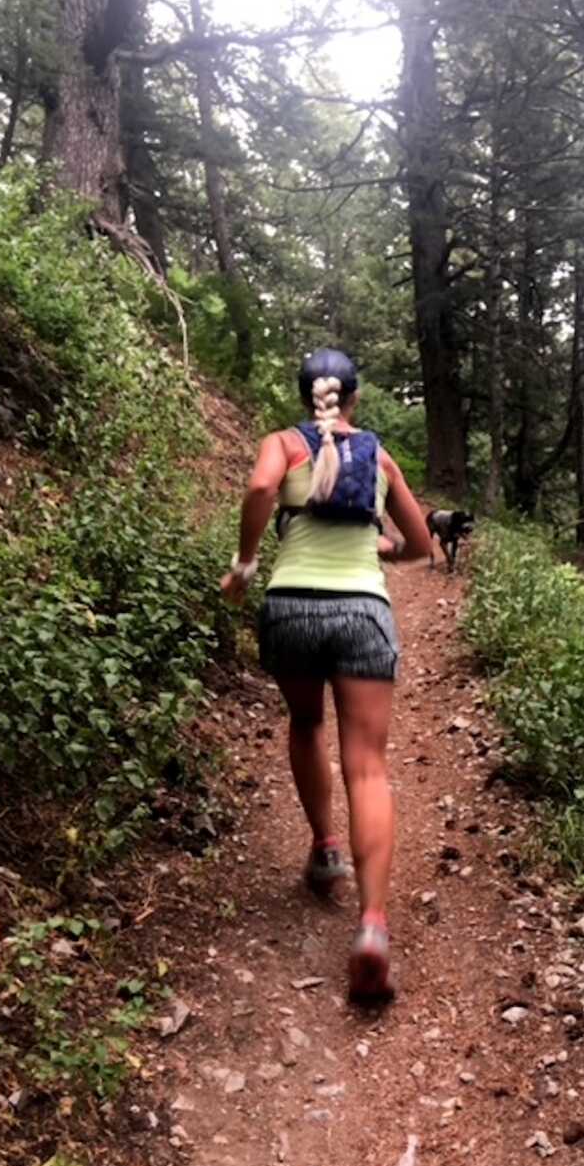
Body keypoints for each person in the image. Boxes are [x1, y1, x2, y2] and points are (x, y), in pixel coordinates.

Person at [221, 348, 432, 1002]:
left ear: (304, 394)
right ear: (354, 399)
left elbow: (260, 489)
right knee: (367, 765)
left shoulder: (282, 445)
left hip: (291, 609)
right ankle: (371, 926)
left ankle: (325, 847)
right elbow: (421, 545)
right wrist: (378, 543)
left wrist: (246, 563)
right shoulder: (378, 455)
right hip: (362, 613)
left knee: (306, 721)